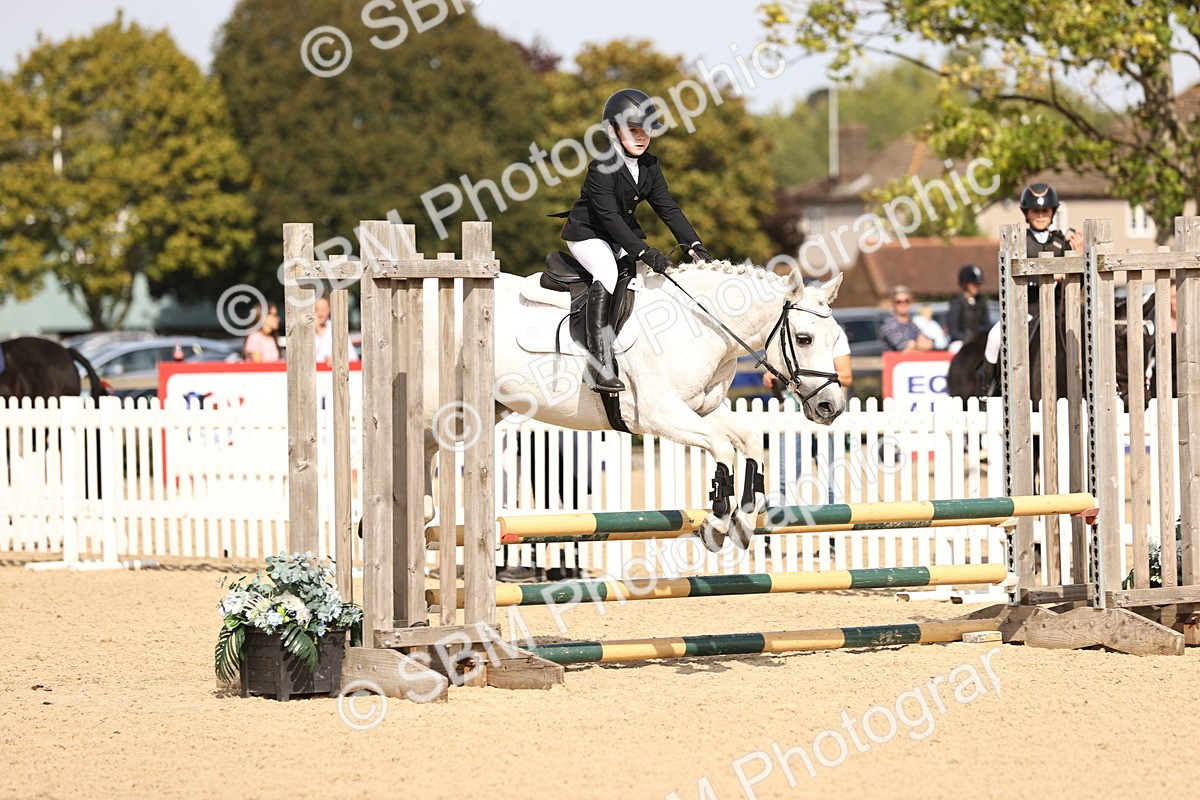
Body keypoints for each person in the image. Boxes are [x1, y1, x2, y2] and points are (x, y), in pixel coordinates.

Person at [554, 88, 710, 393]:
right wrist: (645, 250)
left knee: (644, 278)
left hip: (621, 234)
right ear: (613, 131)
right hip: (589, 234)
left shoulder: (650, 165)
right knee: (609, 272)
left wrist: (694, 246)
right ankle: (598, 364)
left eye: (646, 130)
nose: (641, 137)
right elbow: (609, 218)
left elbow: (668, 207)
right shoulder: (602, 166)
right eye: (633, 130)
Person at [762, 325, 852, 507]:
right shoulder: (791, 332)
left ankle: (833, 528)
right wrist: (775, 376)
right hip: (792, 411)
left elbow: (847, 377)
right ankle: (773, 525)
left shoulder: (835, 333)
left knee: (830, 477)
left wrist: (810, 377)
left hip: (824, 409)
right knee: (784, 476)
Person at [946, 264, 992, 354]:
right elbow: (953, 331)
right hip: (960, 340)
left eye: (978, 284)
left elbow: (986, 324)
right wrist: (969, 338)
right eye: (974, 284)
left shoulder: (981, 301)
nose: (977, 287)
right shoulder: (956, 302)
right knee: (955, 348)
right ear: (965, 284)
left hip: (978, 339)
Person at [880, 285, 933, 352]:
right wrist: (918, 345)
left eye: (906, 301)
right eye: (899, 301)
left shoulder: (912, 324)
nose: (903, 304)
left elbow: (929, 343)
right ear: (893, 304)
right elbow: (904, 349)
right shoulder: (889, 325)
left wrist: (914, 345)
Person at [313, 296, 356, 364]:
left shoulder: (338, 329)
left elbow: (353, 357)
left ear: (329, 310)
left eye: (324, 309)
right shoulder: (306, 331)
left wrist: (338, 359)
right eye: (317, 309)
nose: (321, 313)